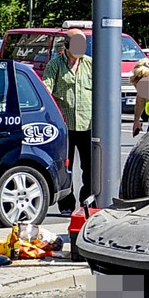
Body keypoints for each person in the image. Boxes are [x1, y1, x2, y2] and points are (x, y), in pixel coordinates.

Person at [41, 29, 92, 213]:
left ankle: (87, 203)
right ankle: (67, 206)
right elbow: (46, 90)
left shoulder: (90, 64)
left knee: (90, 168)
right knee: (66, 168)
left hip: (88, 125)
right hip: (64, 126)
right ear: (67, 45)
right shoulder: (55, 65)